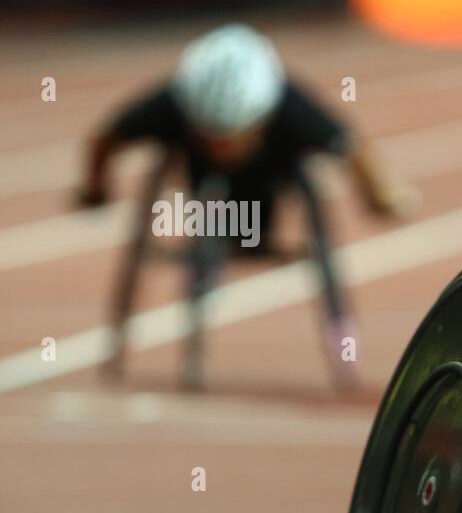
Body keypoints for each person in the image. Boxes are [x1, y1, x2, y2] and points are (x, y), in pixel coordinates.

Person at [78, 23, 414, 388]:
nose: (224, 148)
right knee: (212, 198)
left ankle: (339, 341)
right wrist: (96, 190)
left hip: (270, 186)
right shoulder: (173, 104)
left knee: (257, 208)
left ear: (262, 117)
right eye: (212, 137)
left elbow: (352, 149)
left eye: (236, 136)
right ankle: (207, 261)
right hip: (204, 196)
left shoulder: (290, 107)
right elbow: (104, 139)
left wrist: (379, 198)